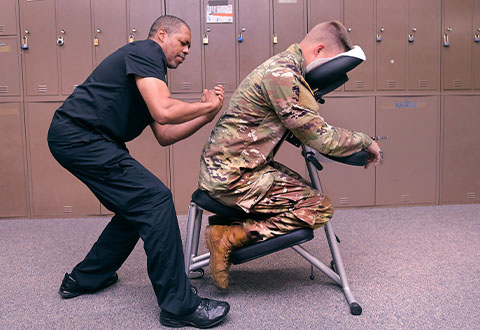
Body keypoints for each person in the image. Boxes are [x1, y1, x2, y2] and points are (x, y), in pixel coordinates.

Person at [48, 15, 230, 328]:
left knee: (136, 208)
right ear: (161, 35)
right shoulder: (146, 53)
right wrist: (205, 107)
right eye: (182, 42)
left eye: (189, 45)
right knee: (155, 199)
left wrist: (205, 116)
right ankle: (179, 306)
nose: (186, 50)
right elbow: (165, 110)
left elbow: (164, 134)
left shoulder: (147, 71)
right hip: (80, 136)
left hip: (87, 138)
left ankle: (85, 278)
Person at [198, 21, 382, 289]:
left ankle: (230, 229)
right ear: (319, 50)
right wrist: (367, 141)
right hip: (232, 177)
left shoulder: (281, 66)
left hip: (231, 167)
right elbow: (322, 139)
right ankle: (228, 236)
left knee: (303, 191)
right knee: (319, 207)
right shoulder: (284, 76)